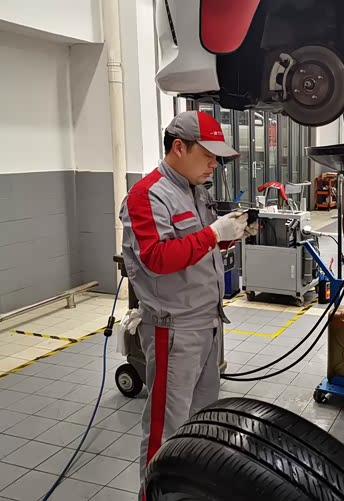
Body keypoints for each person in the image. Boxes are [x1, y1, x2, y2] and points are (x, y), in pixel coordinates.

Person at [118, 110, 257, 496]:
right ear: (179, 147)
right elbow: (156, 258)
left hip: (208, 323)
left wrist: (227, 236)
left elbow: (194, 249)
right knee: (166, 428)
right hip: (173, 329)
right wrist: (212, 235)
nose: (214, 164)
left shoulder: (197, 190)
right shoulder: (147, 194)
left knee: (200, 423)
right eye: (208, 155)